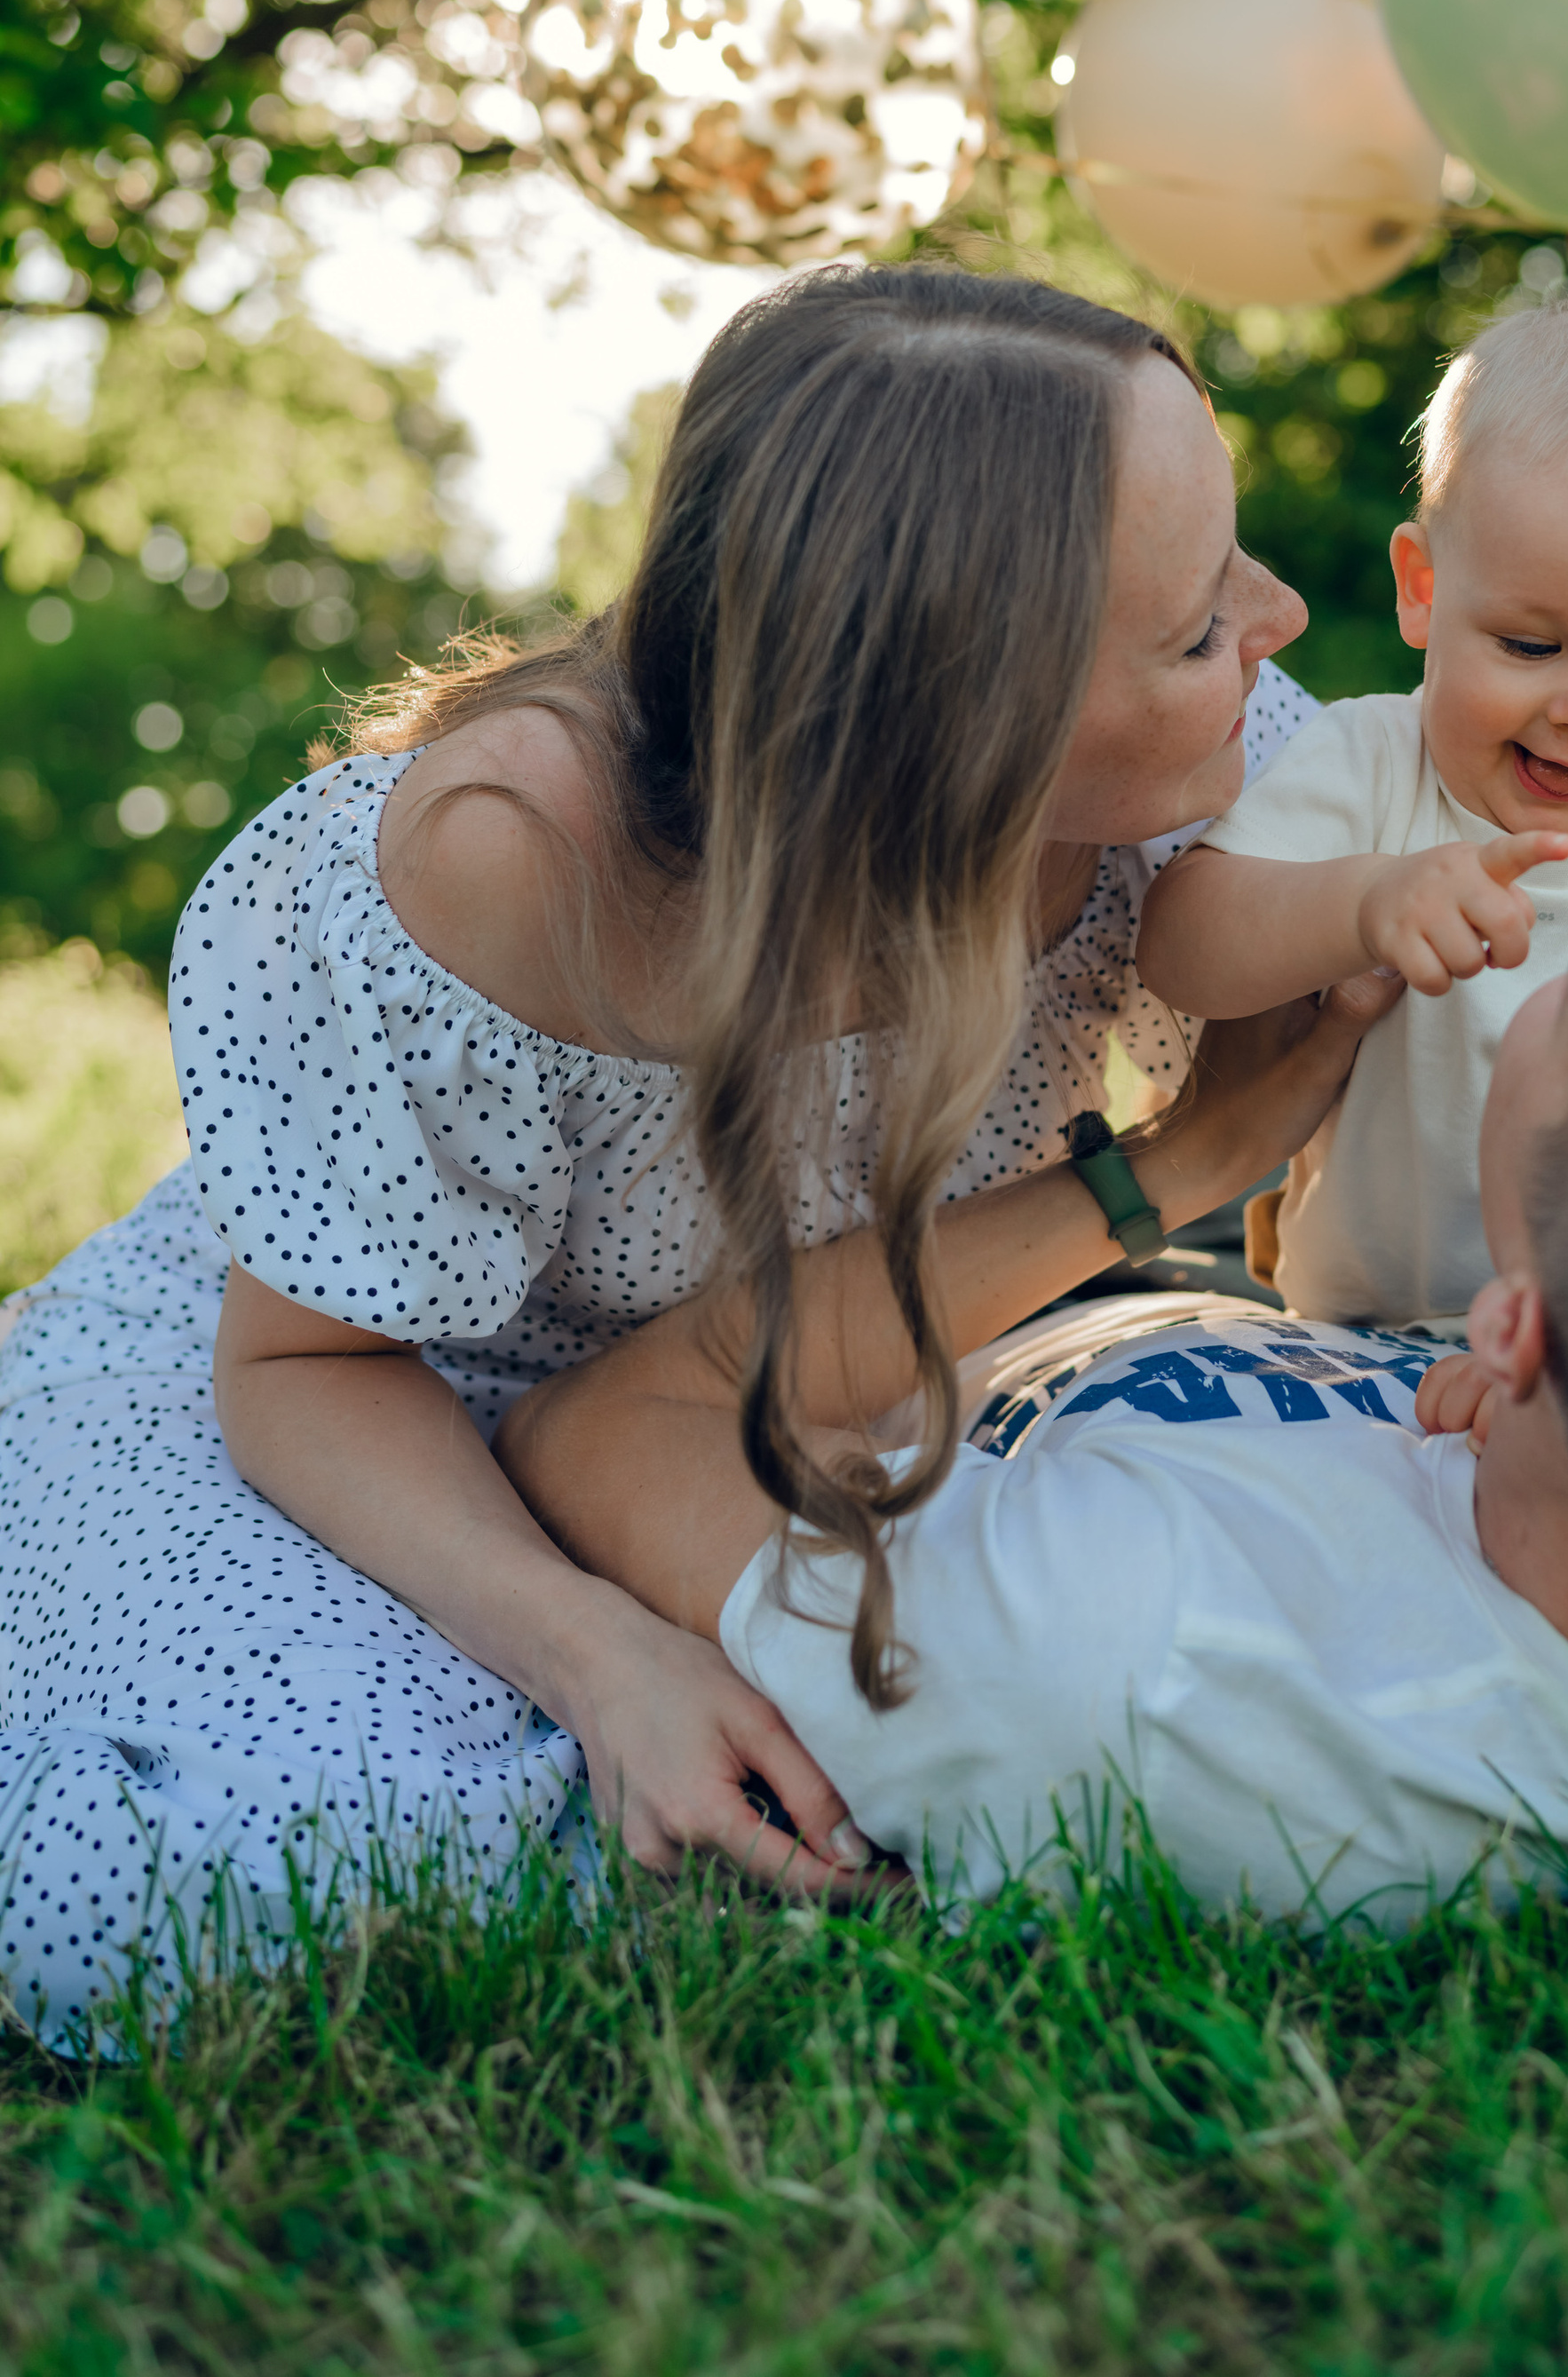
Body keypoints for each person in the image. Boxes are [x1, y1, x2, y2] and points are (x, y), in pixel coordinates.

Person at [0, 267, 1384, 2038]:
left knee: (1016, 1753)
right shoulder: (509, 858)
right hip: (373, 1411)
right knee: (200, 1904)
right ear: (964, 732)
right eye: (1196, 628)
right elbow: (306, 1363)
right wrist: (605, 1659)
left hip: (797, 1397)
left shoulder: (1222, 789)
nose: (1272, 624)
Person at [502, 868, 1568, 1929]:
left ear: (1520, 1331)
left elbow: (598, 1427)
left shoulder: (1146, 1660)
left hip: (991, 1342)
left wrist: (1165, 1175)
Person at [1138, 289, 1568, 1323]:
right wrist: (1362, 904)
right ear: (1424, 589)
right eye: (1530, 647)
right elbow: (1179, 948)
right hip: (1347, 1336)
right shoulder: (1370, 766)